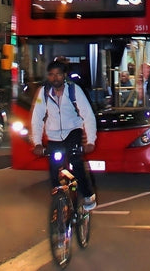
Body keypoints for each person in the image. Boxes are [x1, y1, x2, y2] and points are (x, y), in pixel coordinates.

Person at [31, 60, 97, 211]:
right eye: (52, 75)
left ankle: (87, 195)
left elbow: (88, 115)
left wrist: (90, 141)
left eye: (58, 75)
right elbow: (37, 117)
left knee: (75, 159)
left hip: (73, 130)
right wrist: (37, 143)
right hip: (53, 135)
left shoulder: (74, 90)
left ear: (64, 76)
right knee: (54, 165)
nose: (55, 78)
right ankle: (59, 201)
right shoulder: (43, 93)